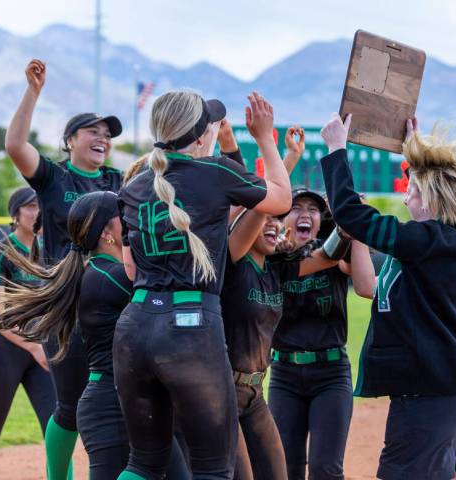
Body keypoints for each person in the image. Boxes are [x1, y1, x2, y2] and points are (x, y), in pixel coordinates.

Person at [114, 90, 292, 479]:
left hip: (135, 324)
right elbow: (280, 200)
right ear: (199, 138)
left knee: (143, 464)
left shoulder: (134, 186)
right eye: (210, 124)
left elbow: (130, 271)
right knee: (213, 468)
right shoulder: (214, 171)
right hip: (190, 329)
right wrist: (265, 138)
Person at [319, 114, 456, 480]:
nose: (406, 198)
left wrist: (337, 150)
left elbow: (352, 216)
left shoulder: (426, 242)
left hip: (430, 399)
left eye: (413, 191)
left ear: (434, 199)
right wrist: (415, 148)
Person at [0, 192, 189, 479]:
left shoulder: (99, 271)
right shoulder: (109, 277)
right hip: (112, 408)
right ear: (106, 233)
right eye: (122, 215)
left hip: (119, 401)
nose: (131, 219)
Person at [4, 58, 125, 480]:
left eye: (107, 134)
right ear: (70, 139)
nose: (103, 138)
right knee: (71, 404)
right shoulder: (54, 178)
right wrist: (33, 92)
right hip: (69, 304)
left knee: (120, 396)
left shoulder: (119, 180)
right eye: (93, 131)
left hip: (117, 303)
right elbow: (16, 146)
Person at [267, 186, 374, 480]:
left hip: (330, 374)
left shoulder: (335, 256)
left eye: (312, 210)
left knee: (325, 469)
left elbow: (364, 284)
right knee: (285, 468)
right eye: (296, 207)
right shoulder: (271, 257)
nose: (305, 214)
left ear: (320, 219)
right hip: (284, 374)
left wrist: (354, 220)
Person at [0, 187, 55, 458]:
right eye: (30, 207)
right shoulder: (0, 253)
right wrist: (32, 346)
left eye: (40, 206)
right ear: (15, 215)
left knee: (58, 430)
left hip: (43, 347)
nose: (37, 212)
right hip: (6, 349)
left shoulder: (51, 250)